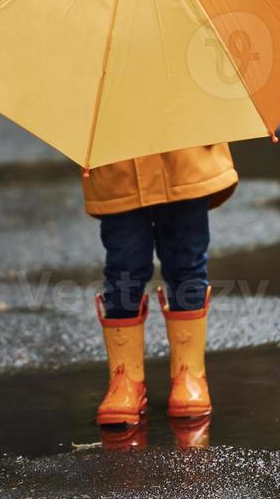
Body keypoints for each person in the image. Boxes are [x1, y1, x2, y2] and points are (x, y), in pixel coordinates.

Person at [81, 144, 238, 426]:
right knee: (123, 268)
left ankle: (190, 373)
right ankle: (125, 379)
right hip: (116, 158)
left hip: (185, 152)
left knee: (186, 262)